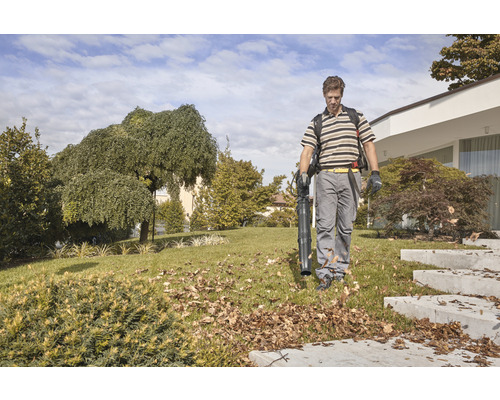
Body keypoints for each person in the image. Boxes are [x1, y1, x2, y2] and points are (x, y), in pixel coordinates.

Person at [298, 76, 382, 291]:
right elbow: (307, 149)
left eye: (336, 97)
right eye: (329, 97)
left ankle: (340, 269)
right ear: (324, 96)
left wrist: (375, 172)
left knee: (345, 227)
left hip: (351, 176)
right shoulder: (317, 121)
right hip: (326, 176)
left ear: (341, 95)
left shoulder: (356, 117)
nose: (332, 101)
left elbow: (369, 144)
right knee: (325, 226)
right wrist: (303, 173)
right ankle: (325, 273)